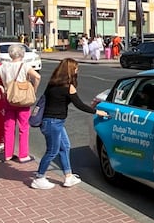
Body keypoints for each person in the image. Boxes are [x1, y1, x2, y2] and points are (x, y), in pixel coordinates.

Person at [31, 58, 108, 189]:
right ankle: (39, 177)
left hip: (53, 122)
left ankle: (68, 176)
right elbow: (80, 105)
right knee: (52, 151)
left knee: (65, 146)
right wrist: (97, 112)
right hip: (53, 123)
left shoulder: (52, 84)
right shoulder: (68, 87)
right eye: (76, 68)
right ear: (70, 71)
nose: (78, 71)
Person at [0, 44, 41, 163]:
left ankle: (8, 154)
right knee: (23, 127)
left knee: (8, 127)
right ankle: (23, 154)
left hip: (9, 99)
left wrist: (1, 86)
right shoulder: (25, 66)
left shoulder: (4, 66)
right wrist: (34, 90)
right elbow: (37, 77)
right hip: (23, 100)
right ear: (22, 54)